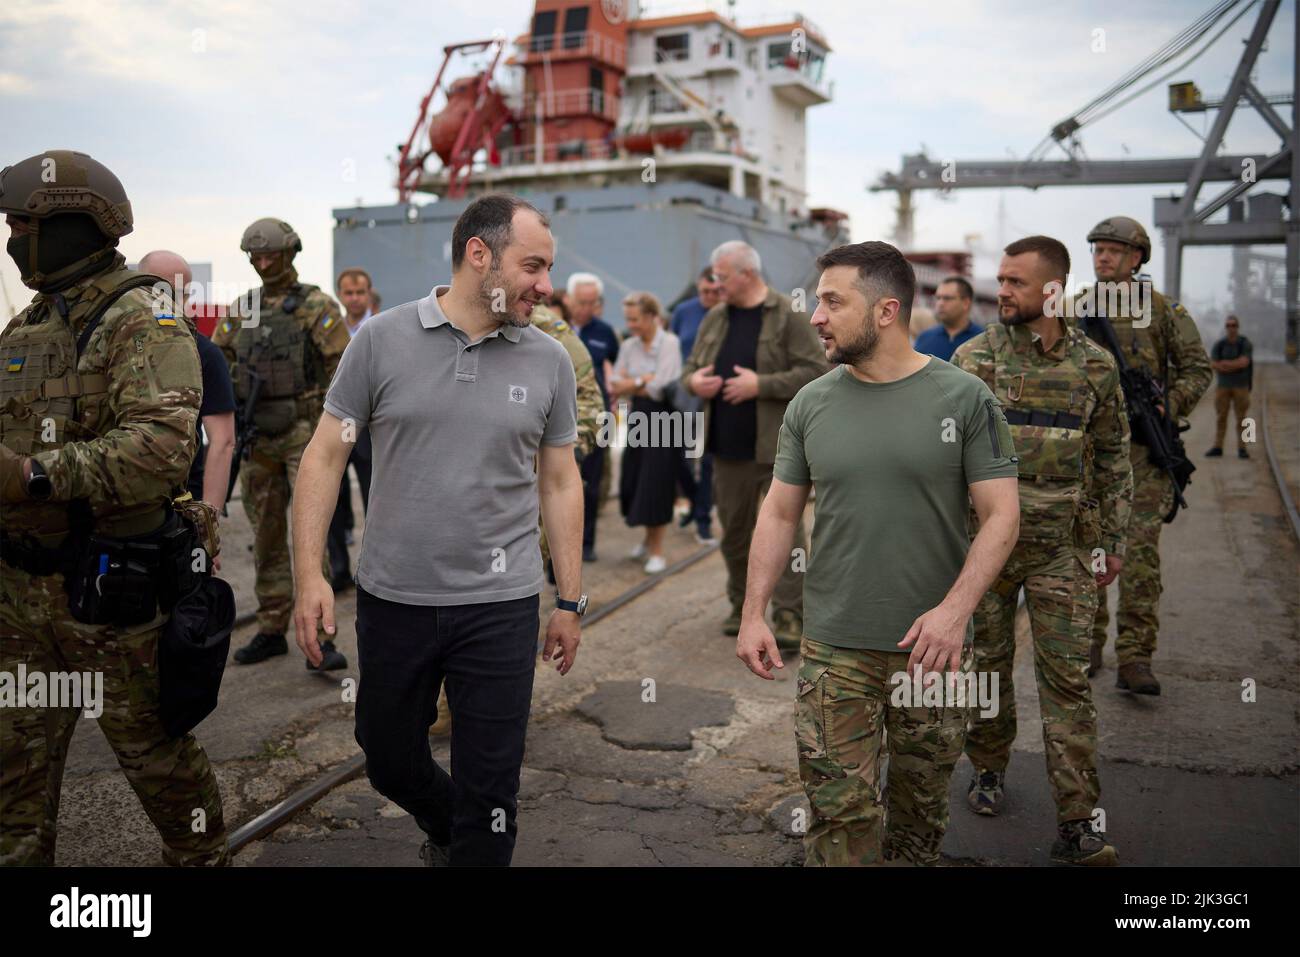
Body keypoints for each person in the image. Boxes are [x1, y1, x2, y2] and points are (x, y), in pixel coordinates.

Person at [290, 193, 584, 867]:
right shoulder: (379, 340)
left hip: (501, 605)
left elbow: (561, 481)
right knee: (388, 757)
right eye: (533, 265)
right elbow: (325, 453)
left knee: (493, 789)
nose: (546, 284)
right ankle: (449, 824)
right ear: (479, 255)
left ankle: (475, 839)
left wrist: (568, 599)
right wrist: (312, 575)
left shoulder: (549, 359)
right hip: (395, 598)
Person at [737, 241, 1021, 866]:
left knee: (918, 824)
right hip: (834, 647)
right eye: (817, 301)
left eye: (833, 302)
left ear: (886, 310)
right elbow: (780, 511)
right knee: (841, 818)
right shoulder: (811, 403)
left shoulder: (966, 398)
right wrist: (754, 612)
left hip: (934, 652)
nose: (816, 316)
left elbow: (1003, 516)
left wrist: (954, 613)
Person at [0, 150, 228, 865]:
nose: (11, 240)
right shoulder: (28, 324)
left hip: (109, 587)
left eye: (22, 225)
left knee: (156, 759)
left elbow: (159, 448)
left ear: (70, 223)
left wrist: (34, 476)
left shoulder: (143, 313)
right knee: (15, 771)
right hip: (19, 595)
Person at [954, 235, 1132, 866]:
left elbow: (1112, 456)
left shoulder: (1095, 366)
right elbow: (946, 462)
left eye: (1015, 283)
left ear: (1052, 290)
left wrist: (1111, 541)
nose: (1001, 291)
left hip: (1064, 552)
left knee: (1067, 686)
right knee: (987, 672)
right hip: (986, 555)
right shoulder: (972, 360)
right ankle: (988, 768)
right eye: (999, 280)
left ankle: (1079, 820)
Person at [1074, 215, 1211, 694]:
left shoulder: (1164, 310)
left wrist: (1167, 405)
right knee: (1088, 549)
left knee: (1139, 556)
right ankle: (1088, 643)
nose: (1103, 257)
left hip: (1142, 453)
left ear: (1136, 258)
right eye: (1098, 249)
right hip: (1088, 452)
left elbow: (1197, 368)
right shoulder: (1076, 310)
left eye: (1113, 250)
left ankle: (1135, 656)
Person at [211, 217, 352, 670]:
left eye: (272, 255)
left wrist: (332, 427)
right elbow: (219, 363)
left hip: (305, 434)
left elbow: (343, 368)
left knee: (310, 534)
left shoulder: (314, 305)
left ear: (291, 253)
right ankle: (271, 628)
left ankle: (322, 637)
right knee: (265, 533)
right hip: (259, 437)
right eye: (257, 256)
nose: (264, 263)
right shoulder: (242, 309)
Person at [681, 240, 827, 649]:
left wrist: (759, 385)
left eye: (722, 277)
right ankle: (742, 605)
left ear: (747, 274)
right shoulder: (715, 317)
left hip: (776, 448)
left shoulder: (788, 315)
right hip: (727, 448)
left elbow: (816, 371)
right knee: (735, 533)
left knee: (785, 534)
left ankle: (788, 614)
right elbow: (690, 370)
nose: (715, 284)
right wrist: (695, 382)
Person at [139, 250, 236, 563]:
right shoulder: (113, 345)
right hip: (119, 505)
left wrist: (208, 527)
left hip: (181, 506)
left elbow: (222, 442)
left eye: (175, 291)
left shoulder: (203, 352)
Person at [610, 292, 682, 574]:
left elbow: (661, 386)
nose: (631, 325)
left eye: (635, 319)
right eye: (628, 320)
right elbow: (615, 384)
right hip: (639, 416)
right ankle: (646, 538)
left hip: (664, 418)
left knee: (657, 484)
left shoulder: (670, 343)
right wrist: (641, 380)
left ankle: (657, 550)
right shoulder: (628, 345)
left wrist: (634, 383)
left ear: (653, 317)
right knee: (633, 481)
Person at [326, 267, 375, 590]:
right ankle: (338, 569)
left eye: (359, 292)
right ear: (340, 295)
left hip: (372, 428)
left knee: (377, 496)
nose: (354, 298)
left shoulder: (382, 328)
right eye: (348, 293)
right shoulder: (330, 331)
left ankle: (373, 567)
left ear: (369, 293)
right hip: (338, 423)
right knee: (334, 496)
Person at [565, 272, 621, 562]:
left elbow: (613, 367)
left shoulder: (605, 333)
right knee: (560, 481)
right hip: (561, 417)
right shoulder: (557, 328)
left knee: (591, 482)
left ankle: (586, 543)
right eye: (580, 302)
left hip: (596, 419)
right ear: (569, 300)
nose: (585, 308)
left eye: (591, 302)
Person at [670, 266, 723, 544]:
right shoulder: (684, 312)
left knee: (708, 461)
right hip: (686, 391)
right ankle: (691, 501)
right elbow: (671, 345)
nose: (710, 296)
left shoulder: (727, 313)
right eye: (705, 291)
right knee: (678, 455)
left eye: (716, 292)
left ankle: (703, 519)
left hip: (718, 395)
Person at [1207, 314, 1253, 459]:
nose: (1231, 328)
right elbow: (1213, 363)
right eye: (1228, 325)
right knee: (1221, 417)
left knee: (1243, 419)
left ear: (1237, 327)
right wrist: (1234, 365)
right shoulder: (1220, 344)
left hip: (1241, 386)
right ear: (1225, 327)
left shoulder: (1244, 343)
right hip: (1223, 386)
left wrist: (1225, 365)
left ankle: (1243, 449)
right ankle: (1218, 447)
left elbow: (1244, 362)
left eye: (1233, 325)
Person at [915, 275, 983, 361]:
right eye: (938, 298)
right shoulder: (925, 338)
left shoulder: (983, 340)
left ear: (966, 303)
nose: (940, 303)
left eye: (947, 298)